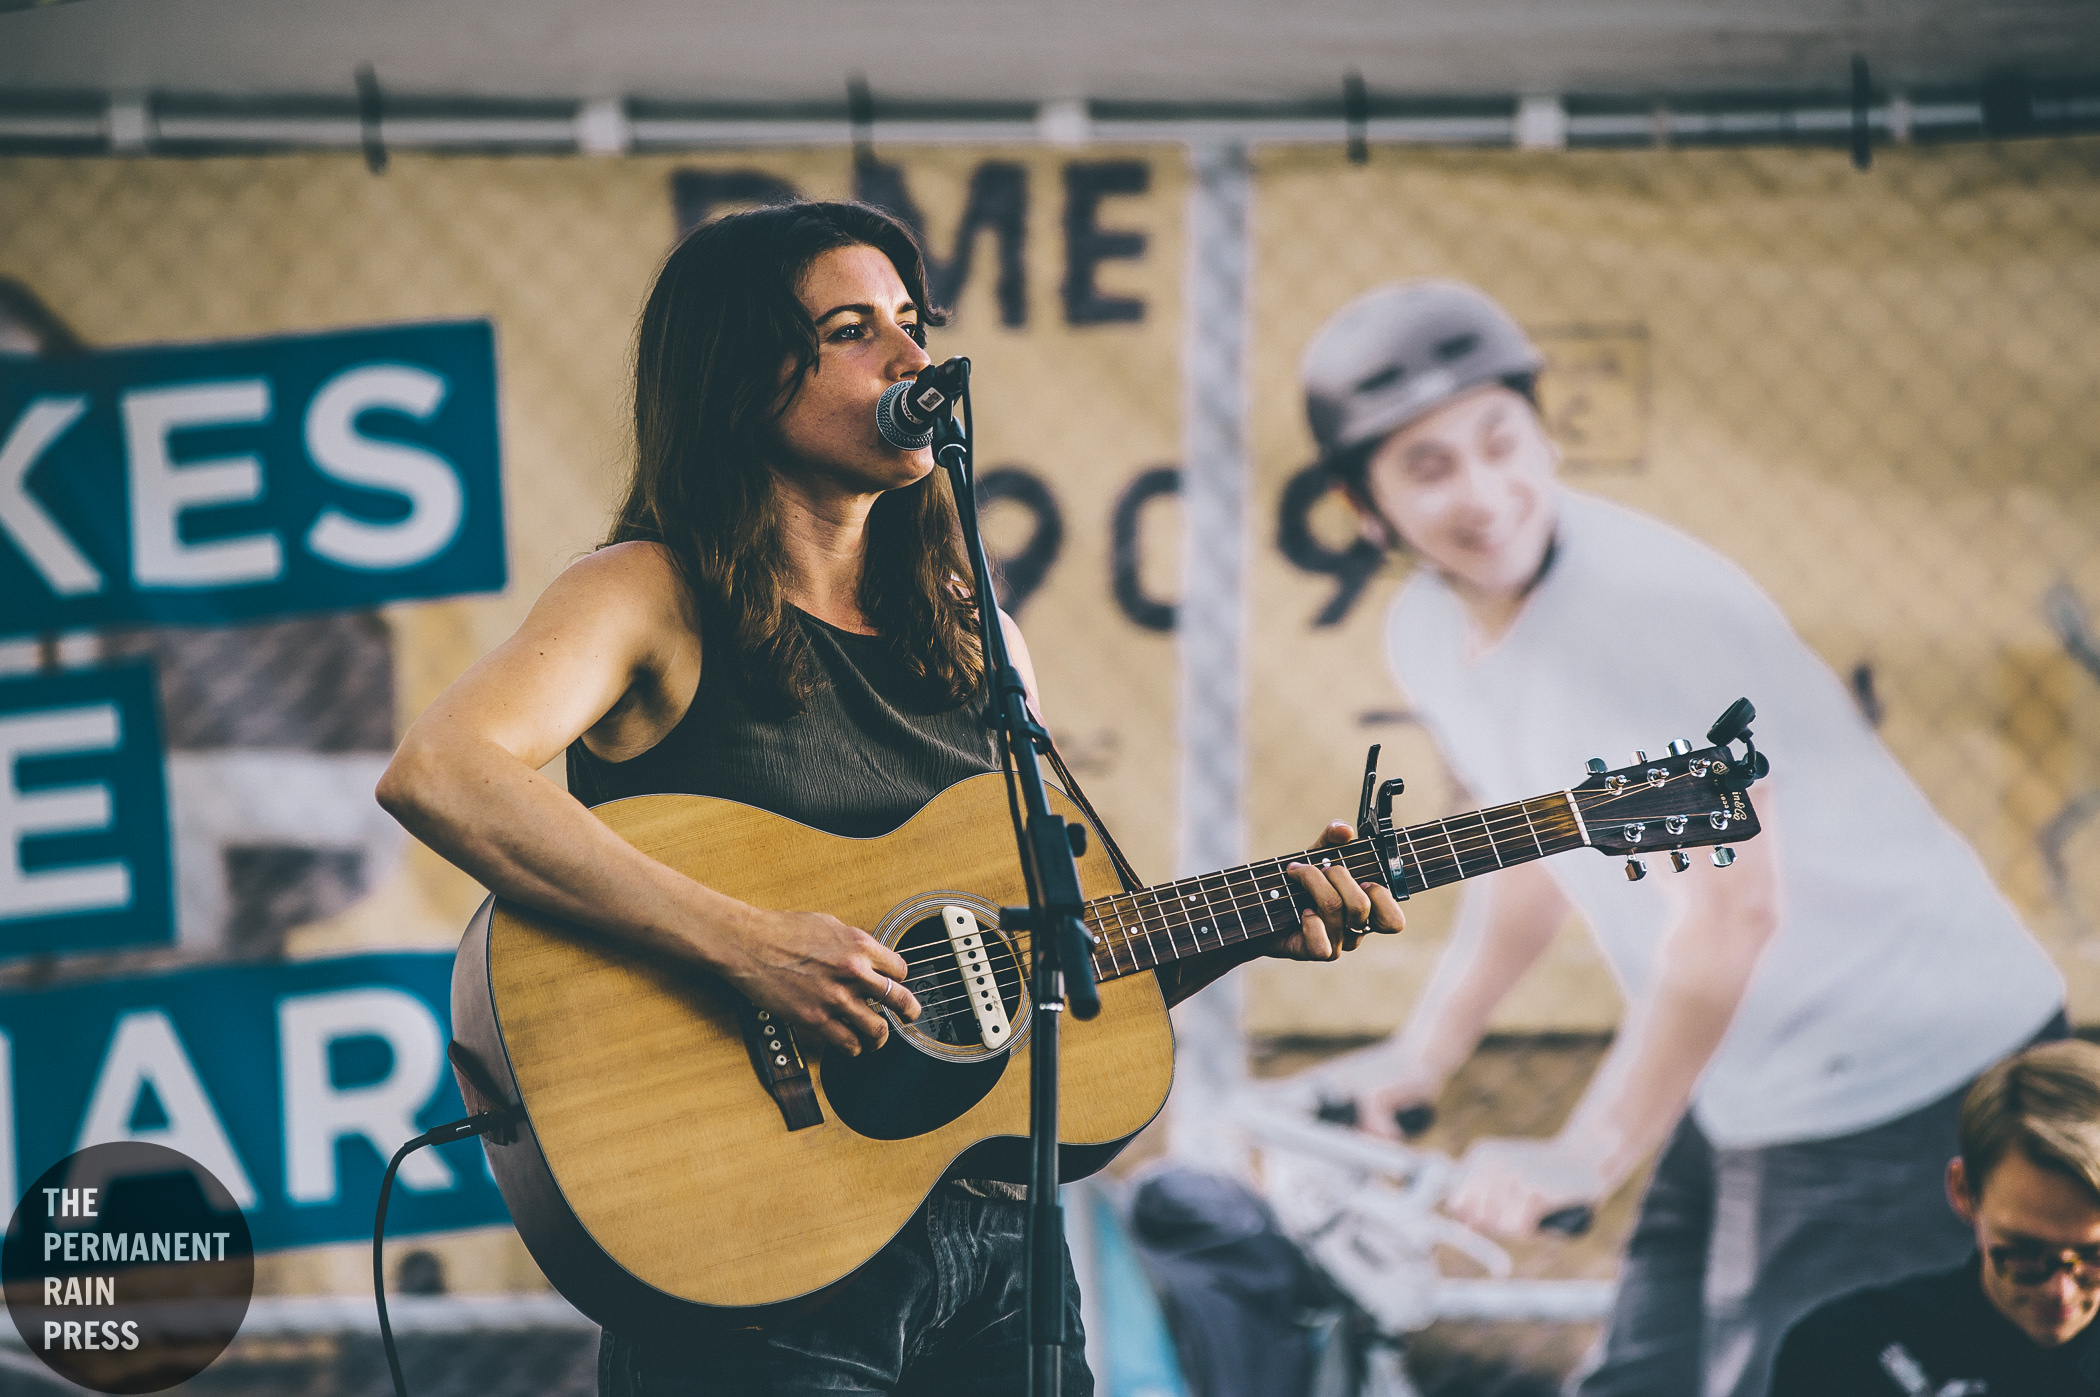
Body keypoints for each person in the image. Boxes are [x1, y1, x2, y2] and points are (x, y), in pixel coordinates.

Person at [376, 200, 1405, 1396]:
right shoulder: (646, 595)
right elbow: (442, 770)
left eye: (915, 323)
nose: (917, 361)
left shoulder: (981, 639)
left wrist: (1250, 926)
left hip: (1002, 1248)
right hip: (761, 1241)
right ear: (739, 375)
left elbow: (1018, 978)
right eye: (854, 330)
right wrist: (755, 948)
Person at [1295, 280, 2066, 1397]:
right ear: (1365, 507)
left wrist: (1586, 1150)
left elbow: (1730, 912)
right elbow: (1530, 858)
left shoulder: (1646, 614)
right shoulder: (1429, 627)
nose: (1484, 492)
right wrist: (1425, 1053)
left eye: (1501, 441)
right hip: (1754, 1066)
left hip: (1904, 1061)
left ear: (1542, 433)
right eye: (1427, 466)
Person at [1770, 1039, 2100, 1393]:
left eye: (2095, 1255)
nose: (2061, 1291)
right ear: (1964, 1192)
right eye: (2025, 1254)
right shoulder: (1842, 1354)